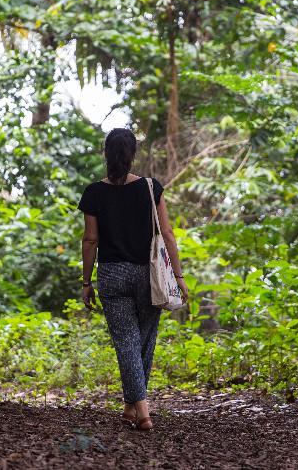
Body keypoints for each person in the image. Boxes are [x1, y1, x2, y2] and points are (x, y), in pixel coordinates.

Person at [77, 127, 188, 431]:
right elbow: (167, 233)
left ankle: (137, 409)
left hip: (112, 275)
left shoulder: (94, 192)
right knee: (143, 341)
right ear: (132, 155)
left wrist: (86, 282)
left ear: (105, 154)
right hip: (148, 274)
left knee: (126, 342)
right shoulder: (151, 188)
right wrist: (178, 275)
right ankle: (139, 409)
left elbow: (90, 240)